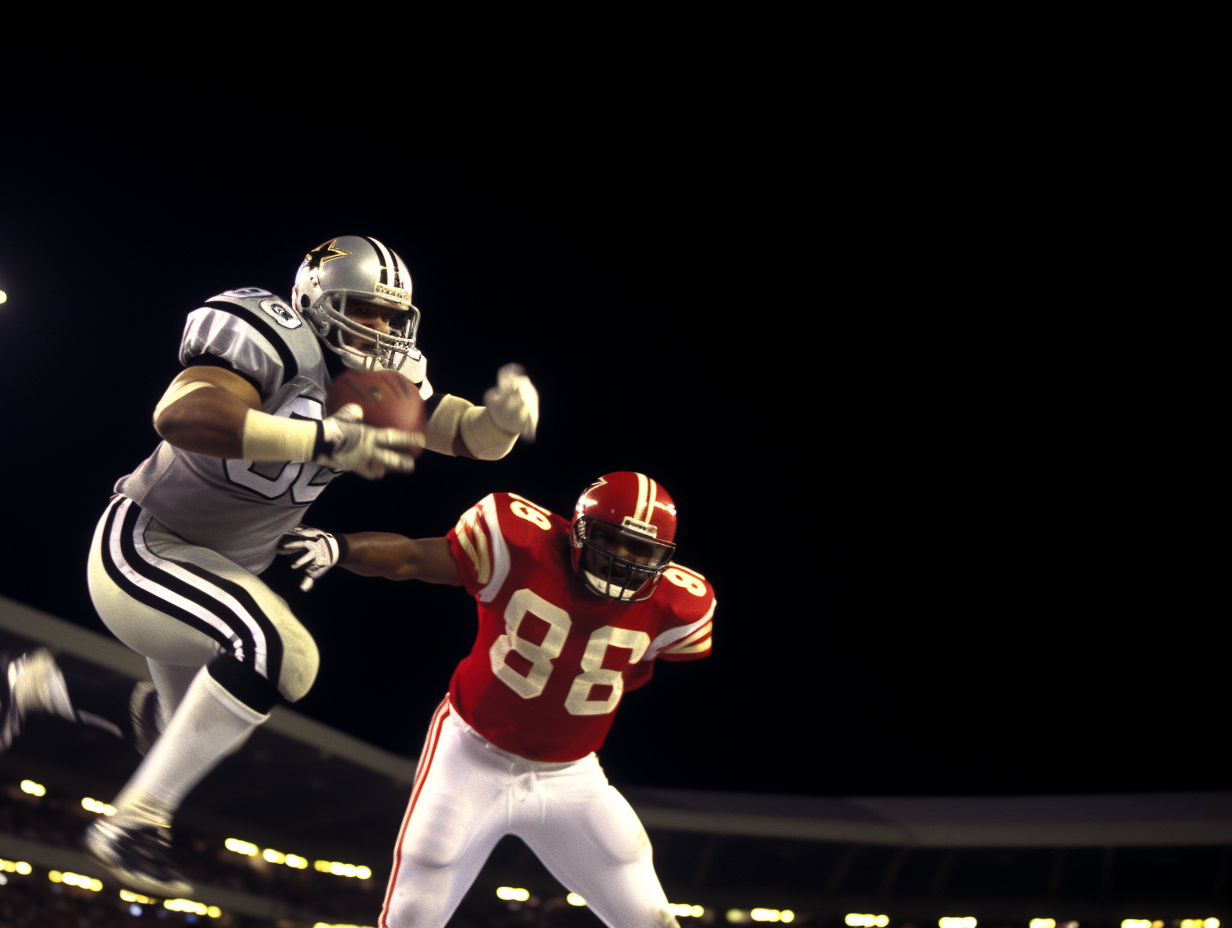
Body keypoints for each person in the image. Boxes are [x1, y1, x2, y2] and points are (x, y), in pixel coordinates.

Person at [0, 235, 539, 898]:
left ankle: (34, 686)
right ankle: (133, 823)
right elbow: (182, 414)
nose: (381, 329)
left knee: (179, 728)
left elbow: (462, 435)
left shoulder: (382, 379)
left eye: (392, 317)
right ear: (316, 300)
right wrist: (318, 438)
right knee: (283, 655)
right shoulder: (271, 334)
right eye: (364, 310)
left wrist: (501, 424)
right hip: (150, 543)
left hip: (225, 572)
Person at [279, 471, 714, 928]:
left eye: (640, 549)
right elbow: (409, 558)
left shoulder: (680, 607)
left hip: (571, 775)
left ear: (662, 558)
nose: (621, 559)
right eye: (610, 539)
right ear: (579, 529)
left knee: (651, 916)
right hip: (471, 751)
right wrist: (340, 547)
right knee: (414, 906)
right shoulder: (520, 543)